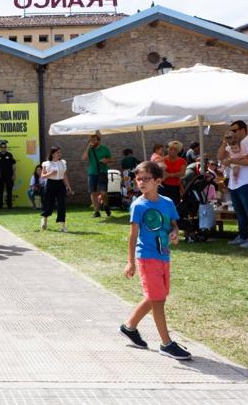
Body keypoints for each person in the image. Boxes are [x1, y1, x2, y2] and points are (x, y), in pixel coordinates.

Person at [119, 161, 191, 361]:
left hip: (164, 256)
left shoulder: (167, 203)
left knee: (156, 297)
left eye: (146, 179)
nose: (141, 182)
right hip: (146, 257)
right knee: (158, 299)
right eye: (138, 178)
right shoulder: (138, 205)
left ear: (158, 181)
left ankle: (129, 327)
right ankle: (166, 344)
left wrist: (175, 233)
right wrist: (130, 261)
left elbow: (174, 224)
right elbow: (133, 236)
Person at [218, 120, 248, 249]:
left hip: (246, 182)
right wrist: (224, 142)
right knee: (239, 213)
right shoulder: (231, 143)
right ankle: (242, 236)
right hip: (233, 183)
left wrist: (232, 160)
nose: (232, 133)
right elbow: (220, 156)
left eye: (235, 130)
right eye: (231, 130)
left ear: (243, 129)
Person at [40, 147, 72, 232]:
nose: (59, 154)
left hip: (60, 185)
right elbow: (42, 176)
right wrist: (50, 173)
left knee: (62, 204)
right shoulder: (46, 163)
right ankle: (44, 220)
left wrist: (68, 186)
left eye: (59, 152)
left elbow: (64, 176)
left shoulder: (63, 162)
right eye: (58, 152)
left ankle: (63, 226)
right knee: (48, 203)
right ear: (53, 154)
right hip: (50, 184)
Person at [81, 133, 112, 217]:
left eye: (94, 140)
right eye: (91, 140)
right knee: (93, 192)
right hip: (92, 173)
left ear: (98, 141)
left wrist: (106, 160)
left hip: (102, 172)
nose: (93, 142)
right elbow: (83, 158)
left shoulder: (105, 149)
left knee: (104, 192)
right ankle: (96, 211)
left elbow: (111, 159)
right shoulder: (90, 149)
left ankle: (105, 205)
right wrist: (88, 147)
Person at [161, 141, 187, 205]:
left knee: (175, 205)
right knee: (164, 205)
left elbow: (182, 173)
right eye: (170, 149)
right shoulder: (163, 159)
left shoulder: (182, 161)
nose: (172, 151)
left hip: (176, 187)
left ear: (178, 151)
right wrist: (175, 174)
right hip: (164, 186)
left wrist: (170, 175)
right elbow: (162, 172)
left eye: (175, 149)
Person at [0, 141, 16, 209]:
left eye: (4, 147)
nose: (3, 148)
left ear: (6, 147)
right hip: (0, 175)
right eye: (2, 147)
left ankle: (9, 205)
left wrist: (14, 174)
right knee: (0, 191)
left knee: (9, 190)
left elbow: (13, 165)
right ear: (0, 148)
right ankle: (0, 206)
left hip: (9, 175)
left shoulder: (9, 155)